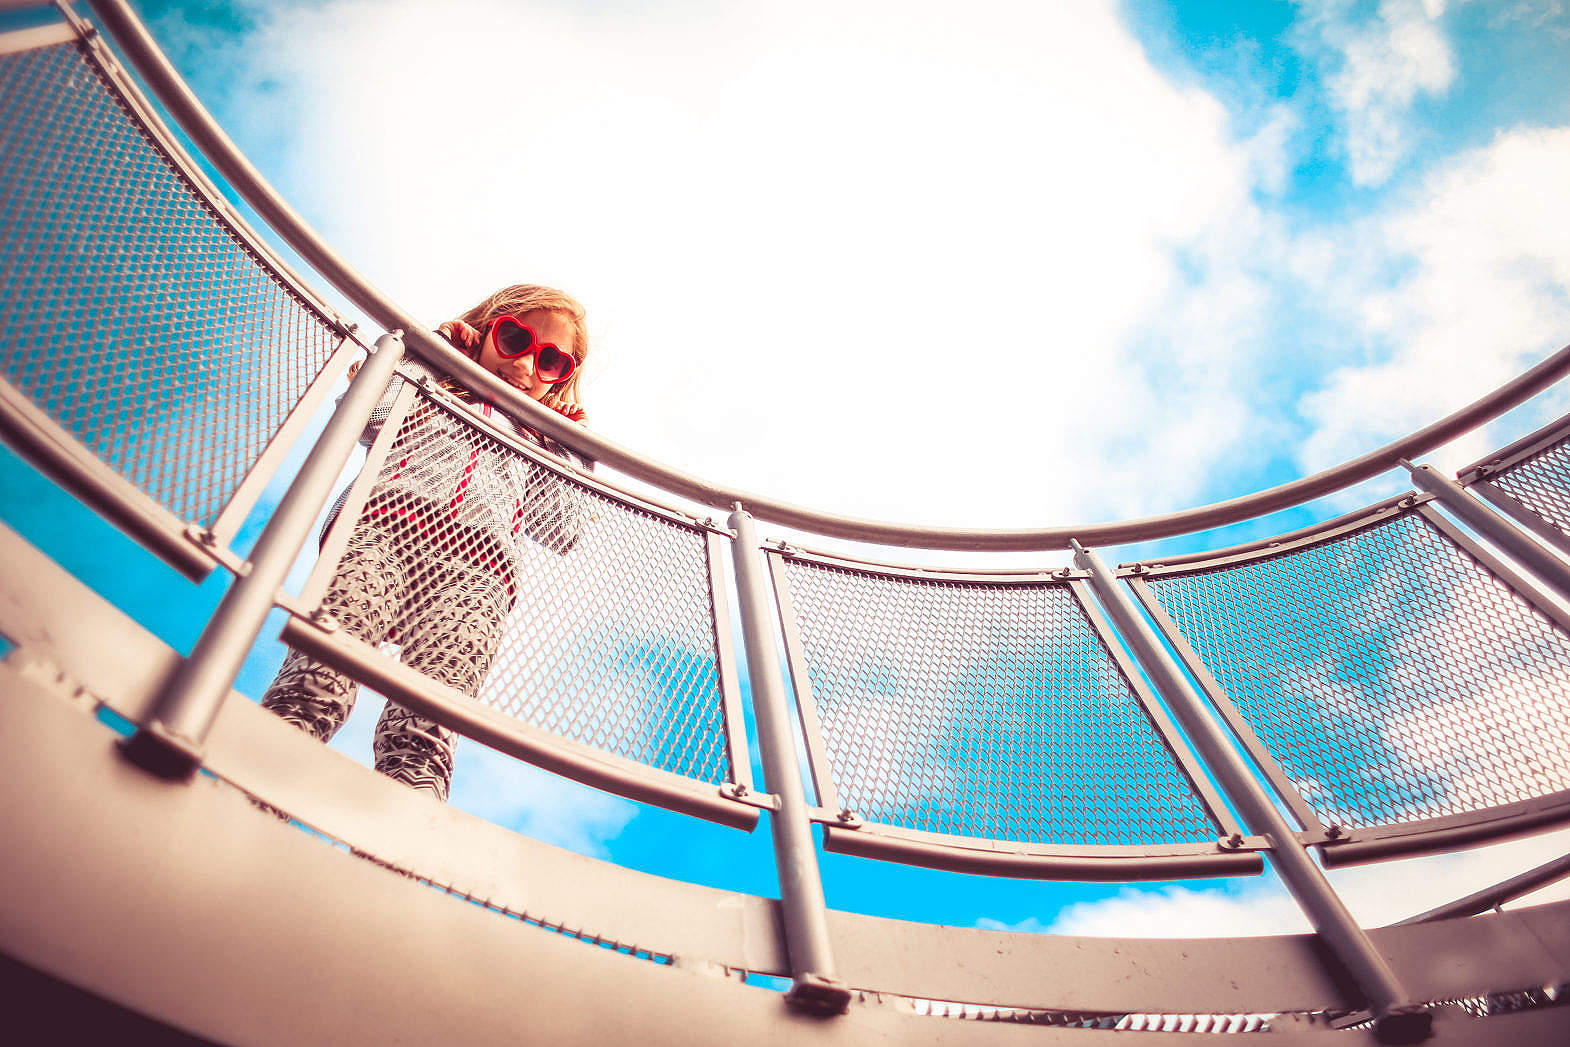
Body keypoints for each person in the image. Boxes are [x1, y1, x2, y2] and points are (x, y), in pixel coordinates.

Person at [260, 284, 592, 801]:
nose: (526, 365)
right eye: (514, 339)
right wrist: (430, 356)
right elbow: (369, 417)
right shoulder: (436, 383)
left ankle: (396, 836)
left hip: (478, 572)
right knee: (319, 673)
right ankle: (260, 785)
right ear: (484, 330)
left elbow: (563, 527)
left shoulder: (538, 438)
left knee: (427, 725)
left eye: (550, 361)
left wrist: (571, 445)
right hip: (385, 531)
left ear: (561, 380)